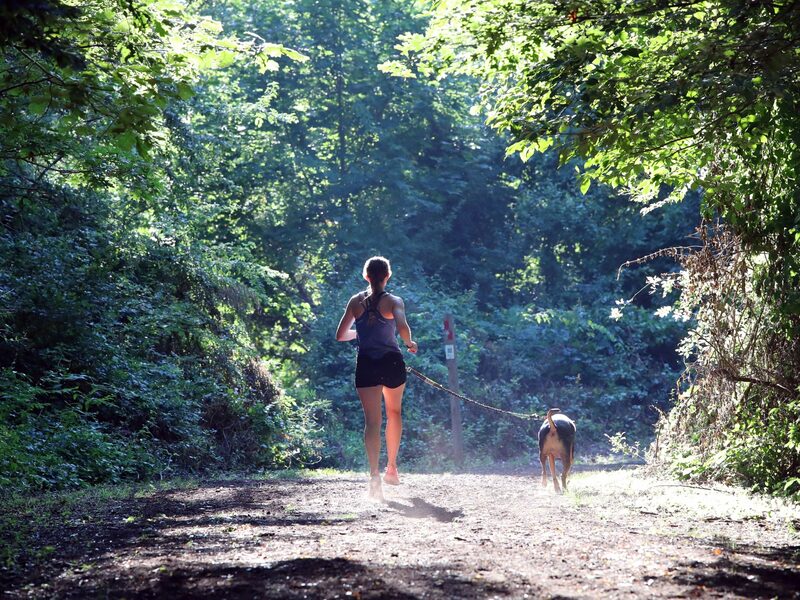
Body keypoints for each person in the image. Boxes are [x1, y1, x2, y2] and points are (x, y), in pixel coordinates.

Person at [335, 256, 418, 500]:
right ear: (387, 276)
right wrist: (409, 343)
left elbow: (340, 335)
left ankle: (374, 475)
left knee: (372, 422)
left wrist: (361, 333)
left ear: (366, 276)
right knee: (394, 413)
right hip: (392, 362)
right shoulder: (394, 301)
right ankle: (391, 468)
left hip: (367, 364)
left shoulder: (355, 301)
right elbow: (402, 327)